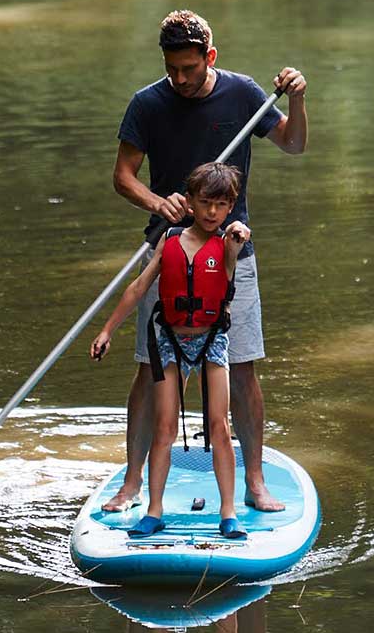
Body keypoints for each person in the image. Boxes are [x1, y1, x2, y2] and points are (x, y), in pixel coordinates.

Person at [100, 9, 307, 514]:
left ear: (209, 57)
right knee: (152, 370)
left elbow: (294, 143)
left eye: (189, 69)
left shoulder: (242, 93)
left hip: (232, 253)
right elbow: (123, 176)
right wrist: (157, 202)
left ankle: (254, 482)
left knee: (241, 367)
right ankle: (132, 483)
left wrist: (298, 100)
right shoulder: (147, 104)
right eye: (172, 68)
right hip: (167, 249)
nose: (180, 79)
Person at [90, 162, 253, 539]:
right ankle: (154, 510)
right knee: (163, 427)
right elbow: (138, 287)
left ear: (231, 207)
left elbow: (231, 261)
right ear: (191, 203)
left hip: (211, 340)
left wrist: (237, 238)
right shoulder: (172, 240)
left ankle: (228, 512)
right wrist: (106, 330)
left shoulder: (229, 242)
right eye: (205, 203)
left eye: (221, 205)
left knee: (219, 427)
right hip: (170, 340)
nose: (213, 212)